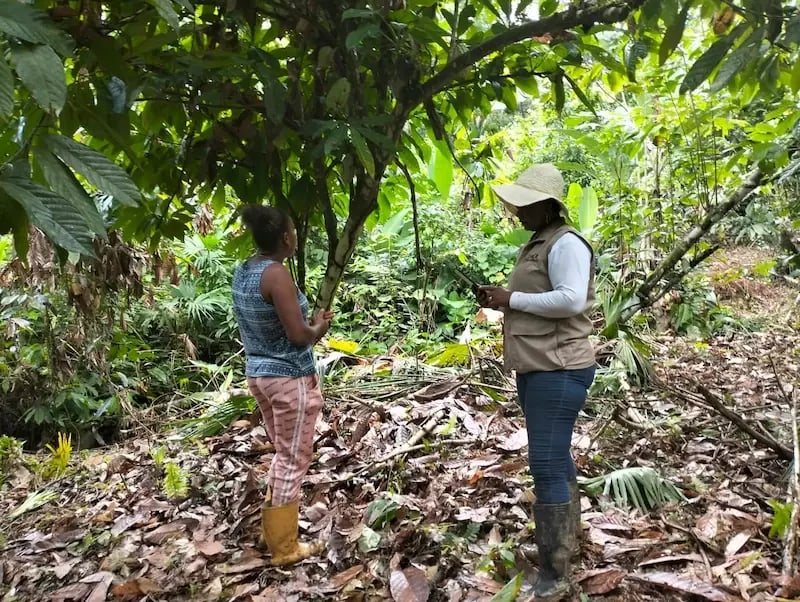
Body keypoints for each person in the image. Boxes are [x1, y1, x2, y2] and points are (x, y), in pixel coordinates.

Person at [478, 164, 596, 600]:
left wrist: (512, 299)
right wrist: (502, 300)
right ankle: (566, 545)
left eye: (525, 204)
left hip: (559, 366)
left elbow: (570, 298)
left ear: (548, 205)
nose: (517, 212)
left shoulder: (567, 244)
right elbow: (540, 297)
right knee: (555, 456)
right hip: (538, 365)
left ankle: (555, 575)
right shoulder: (540, 241)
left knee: (545, 464)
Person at [231, 204, 333, 566]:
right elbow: (298, 335)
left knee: (283, 454)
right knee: (293, 459)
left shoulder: (245, 270)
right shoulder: (277, 275)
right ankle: (285, 548)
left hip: (259, 375)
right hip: (289, 378)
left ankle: (271, 532)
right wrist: (320, 326)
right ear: (287, 237)